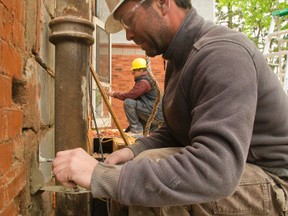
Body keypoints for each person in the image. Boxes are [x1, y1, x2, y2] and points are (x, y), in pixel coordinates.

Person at [52, 0, 288, 215]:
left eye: (129, 20)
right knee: (136, 168)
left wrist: (98, 175)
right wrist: (134, 150)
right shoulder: (180, 60)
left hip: (274, 181)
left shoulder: (222, 54)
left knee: (148, 192)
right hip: (235, 169)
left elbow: (217, 170)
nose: (129, 34)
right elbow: (176, 132)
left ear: (162, 3)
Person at [107, 57, 164, 135]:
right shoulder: (147, 80)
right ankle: (140, 130)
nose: (132, 73)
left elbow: (130, 95)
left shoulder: (144, 82)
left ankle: (137, 130)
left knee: (129, 102)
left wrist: (114, 94)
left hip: (155, 115)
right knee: (135, 103)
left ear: (141, 71)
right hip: (155, 115)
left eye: (134, 71)